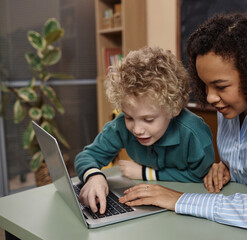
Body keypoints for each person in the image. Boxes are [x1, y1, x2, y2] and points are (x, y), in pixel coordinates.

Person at [118, 12, 247, 233]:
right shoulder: (230, 107)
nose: (209, 98)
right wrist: (228, 169)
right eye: (205, 85)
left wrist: (179, 200)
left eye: (220, 86)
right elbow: (246, 168)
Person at [75, 46, 215, 215]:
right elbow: (87, 156)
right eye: (128, 117)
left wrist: (146, 173)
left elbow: (200, 175)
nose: (137, 129)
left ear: (174, 108)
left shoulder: (194, 133)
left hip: (185, 203)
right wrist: (93, 176)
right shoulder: (121, 126)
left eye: (148, 120)